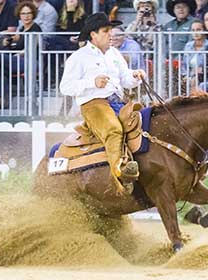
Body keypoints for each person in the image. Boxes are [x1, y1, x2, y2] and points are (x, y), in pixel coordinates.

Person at [60, 13, 146, 194]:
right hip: (93, 104)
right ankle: (120, 174)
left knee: (145, 122)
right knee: (113, 130)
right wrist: (92, 83)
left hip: (118, 102)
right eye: (106, 31)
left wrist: (135, 75)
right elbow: (65, 87)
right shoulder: (79, 57)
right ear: (93, 35)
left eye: (111, 31)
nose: (111, 34)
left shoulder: (114, 53)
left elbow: (125, 79)